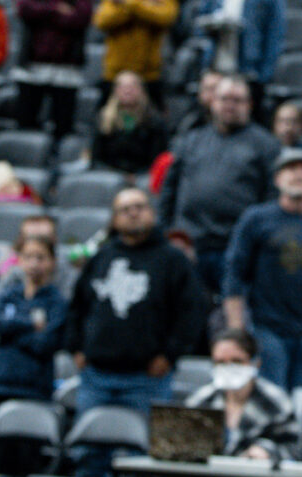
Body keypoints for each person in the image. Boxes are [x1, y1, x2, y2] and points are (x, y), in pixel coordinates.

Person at [63, 187, 203, 445]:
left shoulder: (172, 259)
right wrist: (76, 348)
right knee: (87, 450)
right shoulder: (102, 257)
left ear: (152, 213)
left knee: (139, 454)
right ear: (114, 220)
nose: (133, 213)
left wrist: (169, 355)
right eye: (125, 210)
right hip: (96, 376)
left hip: (146, 378)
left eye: (139, 207)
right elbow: (77, 306)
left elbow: (191, 313)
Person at [223, 150, 302, 393]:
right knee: (271, 401)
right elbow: (234, 275)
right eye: (291, 168)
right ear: (277, 179)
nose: (299, 174)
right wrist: (238, 332)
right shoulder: (255, 219)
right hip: (265, 328)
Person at [163, 74, 279, 309]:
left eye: (238, 100)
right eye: (225, 99)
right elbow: (169, 190)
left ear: (249, 105)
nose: (230, 105)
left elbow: (272, 198)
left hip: (237, 247)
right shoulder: (191, 140)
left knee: (233, 317)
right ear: (213, 102)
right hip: (190, 244)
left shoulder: (266, 144)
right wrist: (167, 232)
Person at [11, 0, 96, 143]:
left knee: (63, 128)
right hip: (32, 65)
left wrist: (43, 15)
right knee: (25, 125)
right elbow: (23, 8)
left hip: (67, 67)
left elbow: (81, 18)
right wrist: (56, 9)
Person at [190, 0, 285, 108]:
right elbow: (200, 22)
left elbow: (275, 36)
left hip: (248, 71)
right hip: (216, 67)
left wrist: (263, 76)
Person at [185, 327, 299, 459]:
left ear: (255, 363)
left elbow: (293, 449)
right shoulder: (201, 400)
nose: (228, 368)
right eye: (220, 362)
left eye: (236, 361)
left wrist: (268, 451)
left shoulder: (276, 402)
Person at [92, 71, 168, 175]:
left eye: (132, 87)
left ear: (141, 90)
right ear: (115, 91)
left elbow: (158, 158)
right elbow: (96, 156)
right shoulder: (103, 118)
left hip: (141, 175)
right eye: (122, 87)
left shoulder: (153, 120)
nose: (127, 91)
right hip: (109, 175)